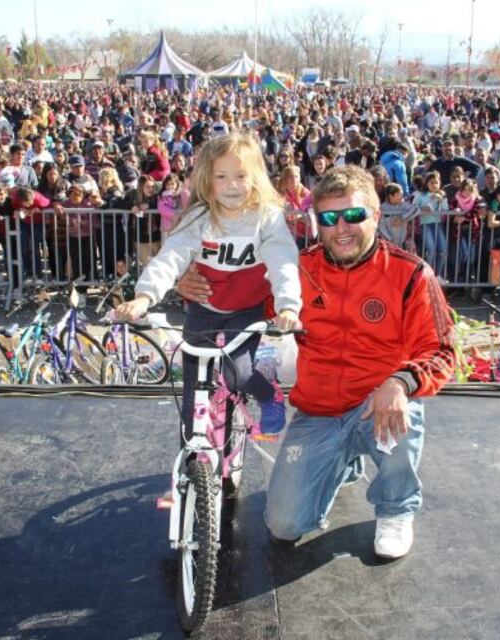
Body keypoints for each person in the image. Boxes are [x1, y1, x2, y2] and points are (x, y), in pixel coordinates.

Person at [177, 164, 456, 559]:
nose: (341, 227)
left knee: (403, 411)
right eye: (328, 218)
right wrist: (188, 280)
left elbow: (442, 351)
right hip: (319, 410)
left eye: (354, 215)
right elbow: (240, 293)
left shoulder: (411, 274)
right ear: (317, 223)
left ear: (375, 215)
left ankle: (396, 509)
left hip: (378, 400)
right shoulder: (298, 271)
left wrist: (401, 382)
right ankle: (343, 463)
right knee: (283, 526)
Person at [114, 132, 301, 445]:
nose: (231, 185)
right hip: (204, 309)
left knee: (237, 374)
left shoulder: (266, 217)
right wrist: (144, 298)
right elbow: (170, 256)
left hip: (246, 310)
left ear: (255, 177)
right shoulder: (199, 217)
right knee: (191, 393)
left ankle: (270, 396)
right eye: (221, 176)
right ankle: (191, 466)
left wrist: (288, 306)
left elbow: (283, 260)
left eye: (241, 176)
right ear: (207, 180)